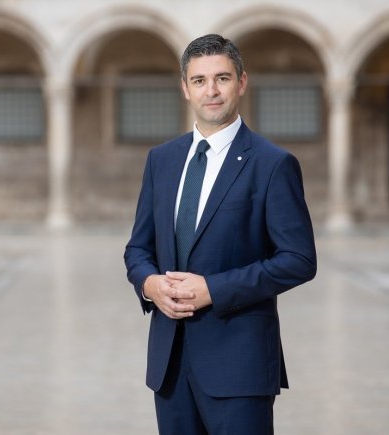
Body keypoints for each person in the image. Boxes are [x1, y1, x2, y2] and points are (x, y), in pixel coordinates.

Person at [124, 33, 317, 435]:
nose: (211, 90)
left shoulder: (272, 164)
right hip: (169, 365)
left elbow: (299, 260)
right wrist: (149, 285)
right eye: (199, 80)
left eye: (222, 78)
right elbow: (138, 248)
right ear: (185, 88)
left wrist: (215, 289)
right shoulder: (161, 160)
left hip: (239, 366)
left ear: (241, 82)